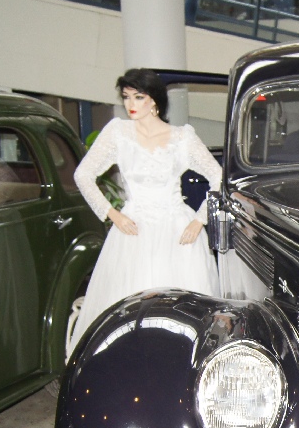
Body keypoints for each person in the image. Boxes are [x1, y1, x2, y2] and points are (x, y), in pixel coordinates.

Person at [68, 68, 264, 355]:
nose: (131, 104)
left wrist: (199, 220)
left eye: (138, 96)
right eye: (126, 97)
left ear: (154, 101)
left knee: (184, 315)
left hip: (177, 233)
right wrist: (113, 213)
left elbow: (218, 176)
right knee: (126, 314)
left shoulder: (181, 137)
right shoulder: (117, 133)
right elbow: (83, 175)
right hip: (133, 233)